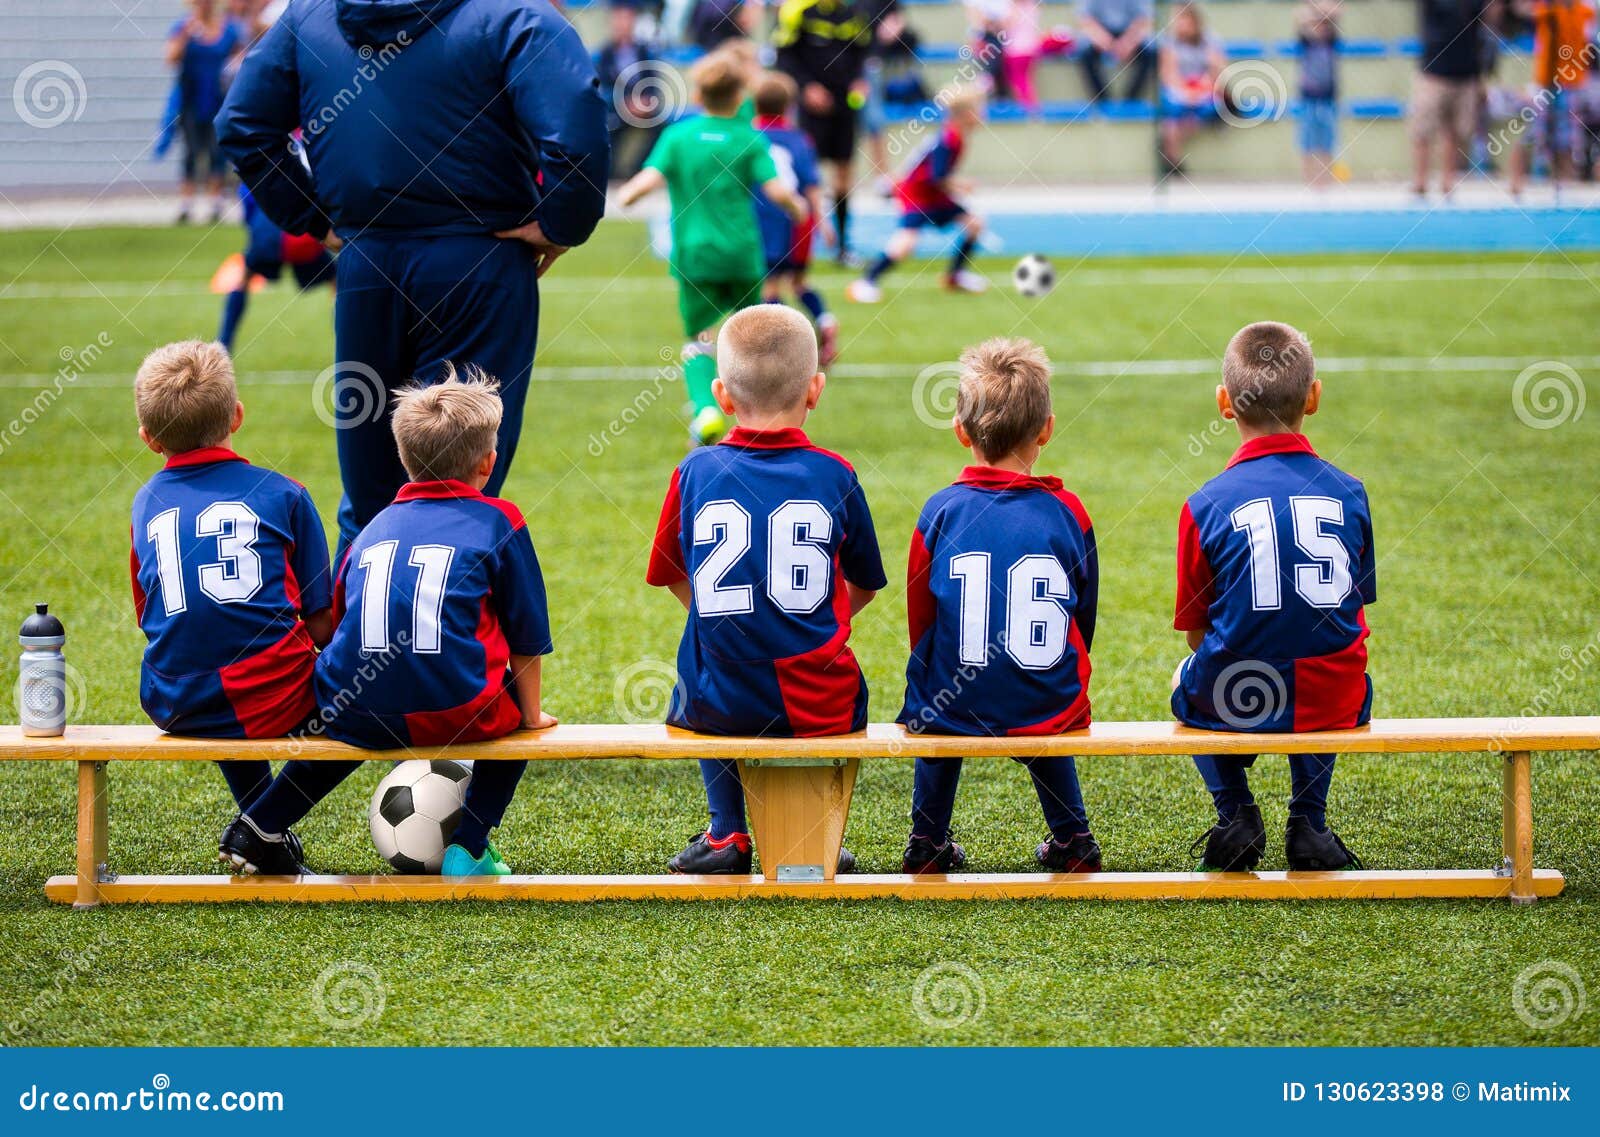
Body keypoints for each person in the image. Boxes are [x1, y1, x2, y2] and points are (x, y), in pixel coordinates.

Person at [217, 0, 610, 556]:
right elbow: (576, 113)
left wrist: (315, 218)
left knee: (369, 495)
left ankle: (362, 637)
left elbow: (241, 124)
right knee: (458, 483)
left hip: (368, 262)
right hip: (478, 260)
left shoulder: (311, 16)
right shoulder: (512, 14)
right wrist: (560, 222)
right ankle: (445, 635)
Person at [218, 369, 559, 878]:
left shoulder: (371, 528)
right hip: (456, 709)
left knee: (356, 719)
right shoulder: (500, 519)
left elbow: (337, 625)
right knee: (515, 727)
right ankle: (469, 847)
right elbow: (527, 638)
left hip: (353, 706)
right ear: (489, 463)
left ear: (405, 459)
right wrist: (530, 715)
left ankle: (262, 821)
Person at [645, 305, 887, 874]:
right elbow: (866, 584)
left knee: (703, 659)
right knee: (826, 675)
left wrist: (716, 619)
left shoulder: (694, 471)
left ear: (722, 396)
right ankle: (811, 832)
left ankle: (728, 833)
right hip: (819, 698)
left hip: (718, 696)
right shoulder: (835, 474)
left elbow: (669, 573)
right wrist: (810, 626)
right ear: (816, 389)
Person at [1172, 322, 1376, 873]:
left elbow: (1196, 632)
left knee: (1185, 677)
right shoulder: (1349, 490)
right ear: (1314, 396)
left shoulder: (1205, 503)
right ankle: (1309, 822)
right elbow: (1353, 611)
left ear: (1223, 403)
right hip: (1334, 697)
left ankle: (1236, 810)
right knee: (1345, 667)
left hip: (1235, 695)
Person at [897, 338, 1102, 875]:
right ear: (1046, 430)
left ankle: (927, 840)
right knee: (1042, 696)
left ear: (961, 431)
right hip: (1047, 699)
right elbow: (1084, 615)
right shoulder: (1069, 511)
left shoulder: (940, 510)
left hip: (953, 702)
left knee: (933, 698)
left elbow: (921, 618)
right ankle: (1073, 837)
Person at [128, 340, 332, 844]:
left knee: (214, 652)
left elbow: (148, 614)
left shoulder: (145, 501)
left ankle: (267, 834)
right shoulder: (284, 492)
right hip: (276, 700)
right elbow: (323, 625)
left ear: (148, 438)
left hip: (174, 701)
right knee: (368, 695)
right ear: (237, 416)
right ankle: (265, 823)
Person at [617, 52, 808, 448]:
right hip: (741, 255)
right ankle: (760, 419)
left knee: (699, 339)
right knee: (751, 341)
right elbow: (776, 192)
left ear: (699, 93)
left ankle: (705, 409)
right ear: (741, 96)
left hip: (695, 257)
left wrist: (628, 194)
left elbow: (645, 181)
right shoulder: (749, 139)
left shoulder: (678, 137)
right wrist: (798, 207)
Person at [847, 88, 990, 303]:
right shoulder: (949, 139)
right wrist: (962, 186)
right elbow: (936, 177)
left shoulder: (954, 135)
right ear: (969, 115)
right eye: (980, 110)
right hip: (917, 195)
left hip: (933, 194)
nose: (983, 114)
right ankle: (866, 282)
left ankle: (954, 276)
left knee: (974, 225)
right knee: (906, 242)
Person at [774, 0, 873, 263]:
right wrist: (806, 88)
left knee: (844, 174)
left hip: (845, 105)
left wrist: (860, 81)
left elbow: (863, 53)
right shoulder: (797, 11)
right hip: (812, 107)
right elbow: (784, 56)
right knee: (807, 175)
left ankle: (841, 247)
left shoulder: (854, 12)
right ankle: (801, 244)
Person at [752, 72, 840, 366]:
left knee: (770, 288)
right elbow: (813, 185)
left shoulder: (749, 137)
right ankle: (825, 320)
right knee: (800, 282)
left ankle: (783, 349)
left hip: (765, 221)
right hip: (799, 221)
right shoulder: (800, 139)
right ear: (789, 106)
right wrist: (825, 222)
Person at [215, 185, 336, 353]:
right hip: (303, 236)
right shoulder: (302, 164)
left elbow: (249, 213)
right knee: (337, 283)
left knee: (243, 280)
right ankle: (348, 343)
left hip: (267, 235)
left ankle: (223, 346)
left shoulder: (253, 167)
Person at [165, 0, 245, 224]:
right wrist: (185, 35)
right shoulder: (184, 28)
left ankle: (215, 203)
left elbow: (241, 57)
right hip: (191, 101)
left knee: (216, 152)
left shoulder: (228, 29)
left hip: (218, 100)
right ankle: (186, 205)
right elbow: (170, 58)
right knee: (191, 152)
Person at [1412, 0, 1491, 197]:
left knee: (1456, 132)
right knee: (1422, 130)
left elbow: (1482, 30)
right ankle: (1420, 180)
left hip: (1466, 74)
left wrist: (1480, 78)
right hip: (1433, 73)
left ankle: (1448, 181)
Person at [595, 2, 667, 182]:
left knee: (660, 125)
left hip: (642, 108)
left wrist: (647, 102)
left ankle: (638, 171)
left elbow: (653, 82)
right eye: (619, 19)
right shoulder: (605, 53)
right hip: (616, 109)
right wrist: (624, 102)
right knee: (609, 127)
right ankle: (610, 172)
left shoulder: (644, 51)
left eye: (627, 19)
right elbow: (601, 87)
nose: (623, 24)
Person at [1157, 3, 1227, 175]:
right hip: (1180, 92)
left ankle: (1170, 145)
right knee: (1173, 110)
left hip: (1205, 92)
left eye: (1182, 20)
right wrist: (1186, 93)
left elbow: (1219, 73)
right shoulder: (1169, 43)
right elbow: (1168, 75)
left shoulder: (1210, 41)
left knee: (1211, 107)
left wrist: (1203, 89)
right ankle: (1173, 157)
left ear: (1194, 21)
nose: (1178, 24)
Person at [1295, 0, 1343, 186]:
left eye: (1323, 25)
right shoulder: (1305, 41)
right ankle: (1308, 178)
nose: (1319, 29)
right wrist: (1316, 11)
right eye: (1316, 25)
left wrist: (1324, 12)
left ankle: (1326, 179)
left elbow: (1338, 12)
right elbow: (1299, 15)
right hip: (1308, 97)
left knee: (1327, 140)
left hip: (1328, 97)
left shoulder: (1331, 42)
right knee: (1307, 139)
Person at [1078, 0, 1156, 104]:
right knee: (1085, 52)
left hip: (1130, 33)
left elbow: (1143, 19)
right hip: (1101, 33)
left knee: (1150, 53)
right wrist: (1106, 42)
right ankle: (1103, 101)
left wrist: (1127, 43)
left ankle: (1131, 101)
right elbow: (1086, 19)